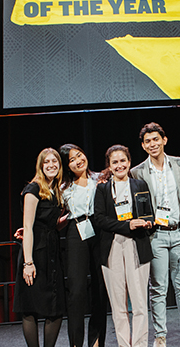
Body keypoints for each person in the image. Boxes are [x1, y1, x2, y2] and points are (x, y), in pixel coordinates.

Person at [130, 122, 180, 347]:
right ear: (143, 146)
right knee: (158, 289)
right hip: (156, 236)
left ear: (164, 140)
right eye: (148, 141)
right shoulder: (138, 171)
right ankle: (160, 336)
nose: (152, 144)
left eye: (156, 139)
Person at [94, 144, 154, 347]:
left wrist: (148, 222)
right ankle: (123, 344)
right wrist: (127, 225)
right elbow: (100, 219)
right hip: (111, 247)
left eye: (123, 161)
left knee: (139, 303)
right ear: (109, 166)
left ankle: (139, 344)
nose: (119, 165)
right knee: (118, 304)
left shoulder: (140, 185)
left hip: (137, 245)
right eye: (115, 162)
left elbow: (149, 213)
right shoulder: (102, 189)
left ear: (129, 162)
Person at [13, 148, 66, 347]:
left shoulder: (56, 190)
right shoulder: (33, 189)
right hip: (34, 253)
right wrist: (28, 263)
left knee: (56, 308)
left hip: (52, 252)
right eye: (47, 162)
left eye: (55, 162)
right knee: (30, 308)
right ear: (41, 166)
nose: (51, 165)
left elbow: (53, 224)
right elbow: (28, 227)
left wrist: (72, 216)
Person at [59, 144, 108, 347]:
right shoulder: (62, 188)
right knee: (77, 291)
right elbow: (56, 216)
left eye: (79, 155)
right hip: (75, 231)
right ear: (67, 166)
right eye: (72, 159)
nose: (78, 160)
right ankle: (76, 343)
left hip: (99, 231)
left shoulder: (100, 179)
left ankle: (96, 342)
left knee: (100, 288)